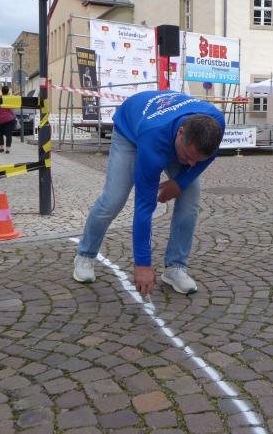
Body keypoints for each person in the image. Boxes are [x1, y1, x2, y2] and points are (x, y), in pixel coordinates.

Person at [73, 90, 225, 296]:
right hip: (131, 131)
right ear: (180, 133)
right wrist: (142, 264)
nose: (191, 164)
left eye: (196, 160)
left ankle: (175, 267)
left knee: (190, 201)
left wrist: (181, 182)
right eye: (188, 157)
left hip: (163, 128)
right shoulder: (154, 141)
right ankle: (85, 255)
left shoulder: (216, 123)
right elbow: (144, 207)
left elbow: (208, 156)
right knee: (114, 199)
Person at [0, 86, 17, 153]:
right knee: (8, 135)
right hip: (8, 120)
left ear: (1, 91)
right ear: (8, 91)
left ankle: (1, 148)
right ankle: (7, 149)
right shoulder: (9, 99)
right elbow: (11, 109)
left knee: (0, 134)